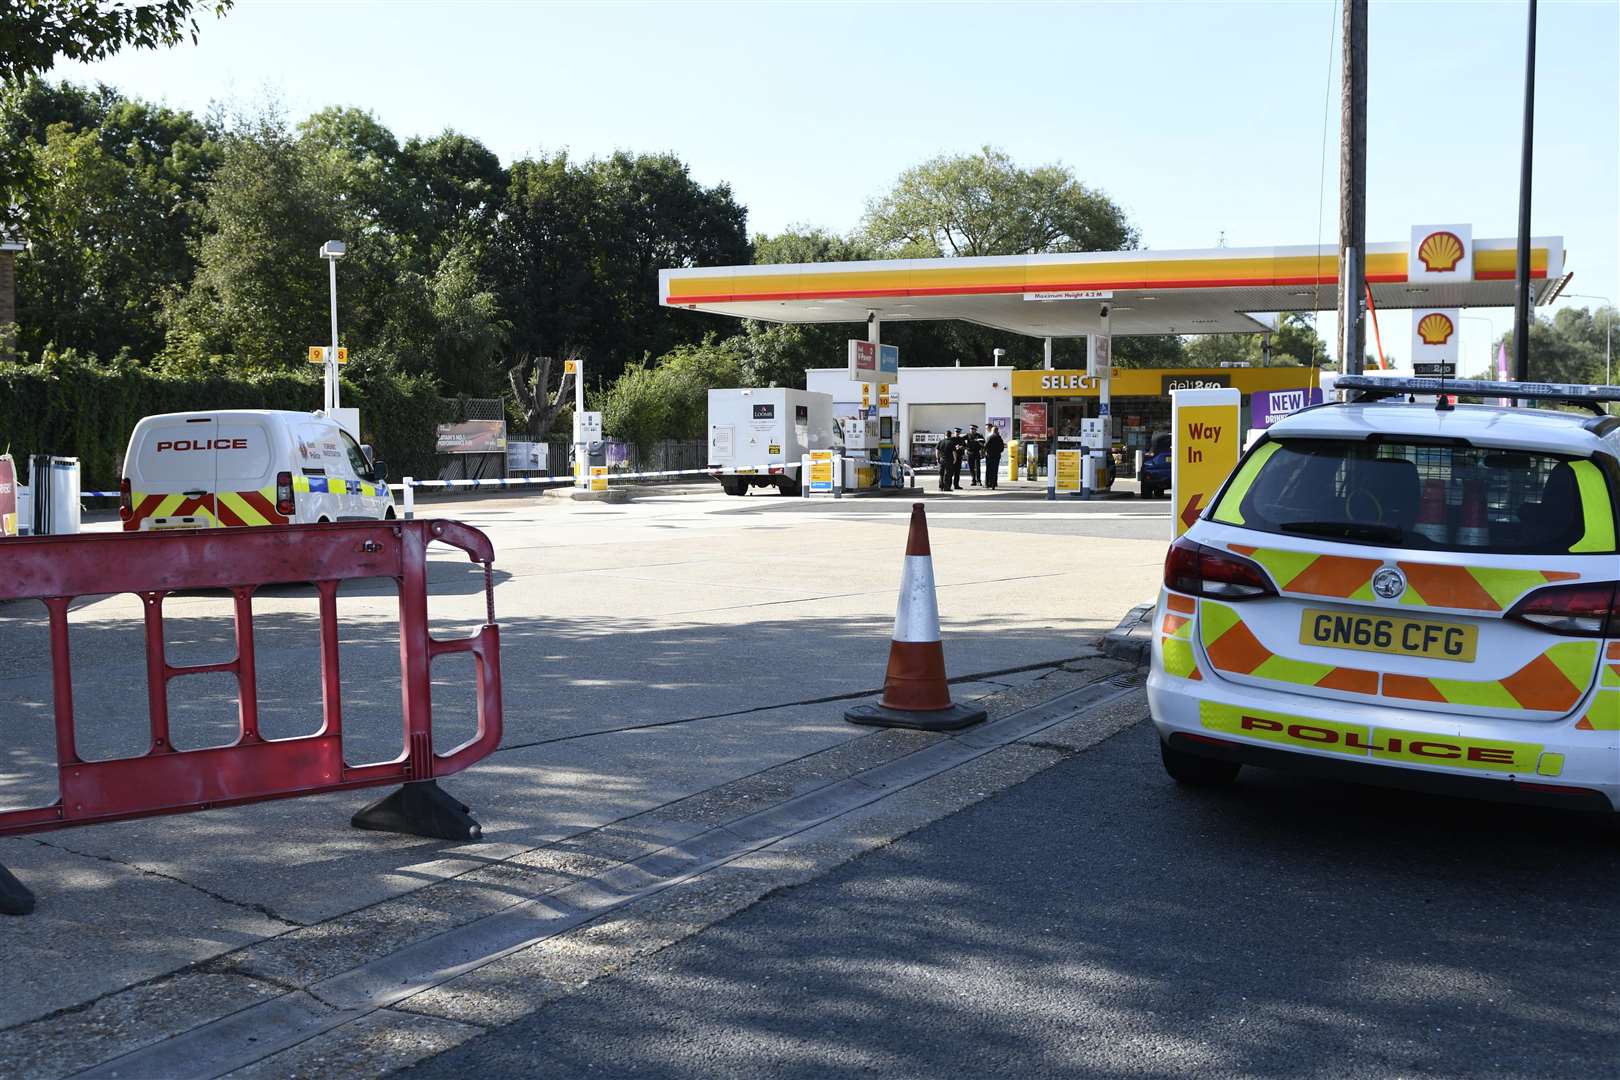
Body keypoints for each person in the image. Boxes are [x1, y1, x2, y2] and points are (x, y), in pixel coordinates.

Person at [984, 424, 1005, 490]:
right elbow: (1002, 448)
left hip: (990, 456)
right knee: (995, 470)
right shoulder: (999, 438)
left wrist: (985, 451)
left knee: (988, 470)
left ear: (992, 431)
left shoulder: (990, 437)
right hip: (997, 456)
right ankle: (994, 483)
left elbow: (985, 446)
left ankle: (987, 483)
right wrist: (998, 452)